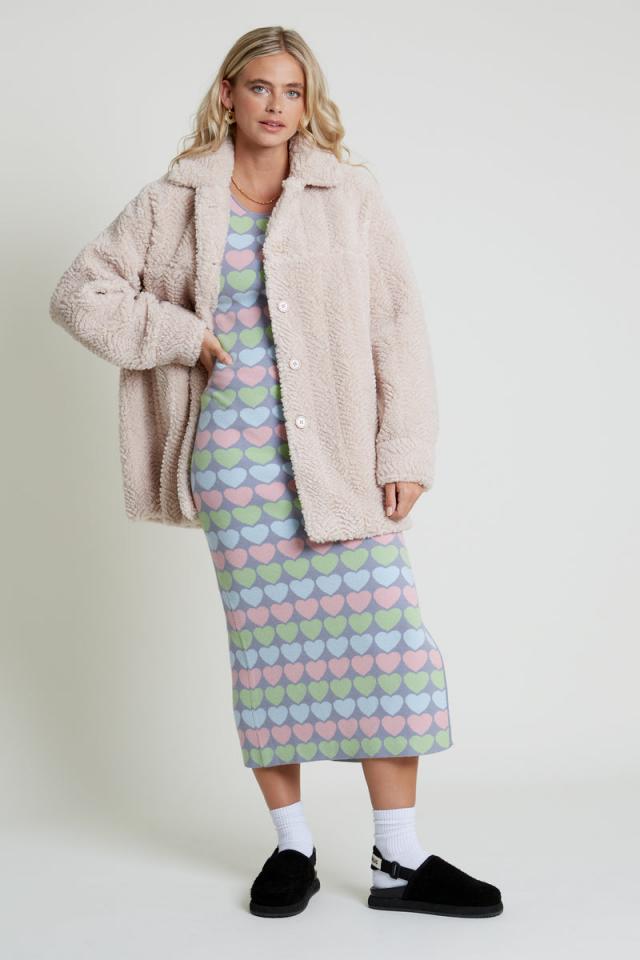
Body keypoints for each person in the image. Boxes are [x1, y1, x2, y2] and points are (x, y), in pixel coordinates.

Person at [50, 25, 503, 920]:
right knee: (269, 658)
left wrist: (405, 451)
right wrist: (181, 335)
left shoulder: (347, 194)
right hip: (236, 465)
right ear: (228, 94)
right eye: (260, 87)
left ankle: (399, 857)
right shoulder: (172, 201)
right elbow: (80, 294)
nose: (276, 106)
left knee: (388, 645)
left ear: (307, 103)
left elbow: (398, 324)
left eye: (292, 91)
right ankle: (293, 846)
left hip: (338, 460)